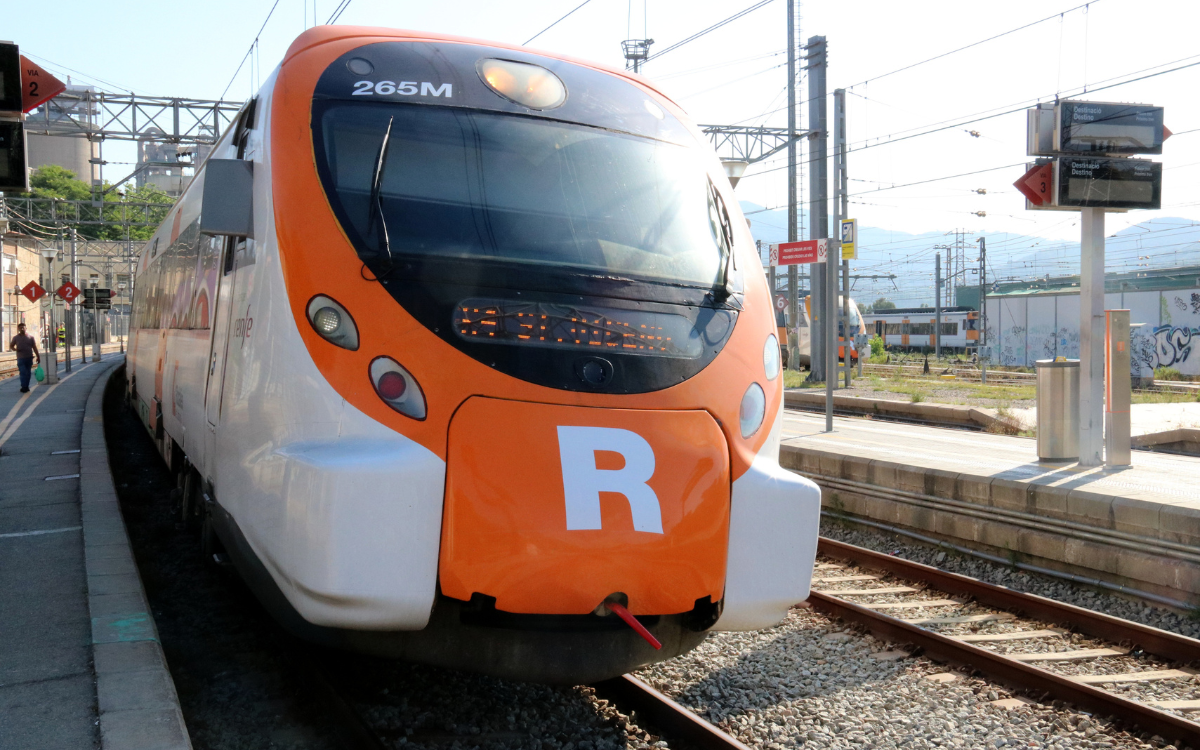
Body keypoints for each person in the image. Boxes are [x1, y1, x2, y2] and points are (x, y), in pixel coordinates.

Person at [9, 322, 40, 393]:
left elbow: (34, 347)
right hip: (21, 358)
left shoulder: (31, 338)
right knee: (23, 372)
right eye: (20, 328)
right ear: (18, 329)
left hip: (29, 357)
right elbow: (11, 345)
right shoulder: (16, 338)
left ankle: (26, 386)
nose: (22, 329)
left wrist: (38, 356)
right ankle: (24, 386)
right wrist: (15, 349)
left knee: (28, 373)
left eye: (23, 327)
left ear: (26, 328)